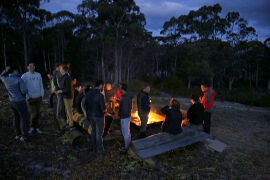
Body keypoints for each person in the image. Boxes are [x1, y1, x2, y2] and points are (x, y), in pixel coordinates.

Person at [0, 66, 30, 142]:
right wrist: (26, 90)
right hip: (20, 101)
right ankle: (25, 136)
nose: (18, 72)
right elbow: (24, 91)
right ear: (14, 71)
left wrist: (5, 70)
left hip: (12, 102)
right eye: (17, 71)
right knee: (24, 118)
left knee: (16, 118)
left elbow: (1, 75)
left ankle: (17, 134)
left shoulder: (6, 79)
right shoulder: (19, 80)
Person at [22, 62, 44, 134]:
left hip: (38, 97)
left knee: (37, 113)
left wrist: (42, 94)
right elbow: (22, 87)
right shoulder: (25, 76)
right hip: (30, 98)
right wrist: (27, 97)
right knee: (33, 113)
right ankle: (31, 127)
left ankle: (36, 127)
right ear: (28, 67)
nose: (32, 67)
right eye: (30, 66)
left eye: (33, 66)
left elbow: (41, 84)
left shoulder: (38, 74)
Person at [85, 80, 106, 155]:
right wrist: (106, 108)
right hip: (99, 117)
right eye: (103, 86)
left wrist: (87, 114)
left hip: (91, 116)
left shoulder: (89, 93)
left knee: (93, 132)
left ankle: (93, 148)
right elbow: (103, 109)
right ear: (100, 85)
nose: (103, 87)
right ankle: (100, 150)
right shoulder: (100, 95)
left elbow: (85, 104)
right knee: (99, 134)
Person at [57, 64, 74, 129]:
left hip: (68, 96)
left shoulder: (67, 77)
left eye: (61, 69)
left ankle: (71, 124)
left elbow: (68, 88)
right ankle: (68, 122)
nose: (60, 70)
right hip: (65, 96)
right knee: (67, 110)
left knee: (69, 110)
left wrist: (61, 91)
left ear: (64, 70)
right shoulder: (64, 77)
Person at [118, 83, 134, 152]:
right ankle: (128, 144)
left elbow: (124, 109)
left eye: (120, 88)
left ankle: (126, 148)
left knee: (125, 133)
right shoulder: (126, 96)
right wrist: (120, 101)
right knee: (127, 131)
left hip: (124, 117)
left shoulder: (125, 98)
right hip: (127, 116)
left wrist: (120, 114)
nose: (119, 89)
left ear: (122, 89)